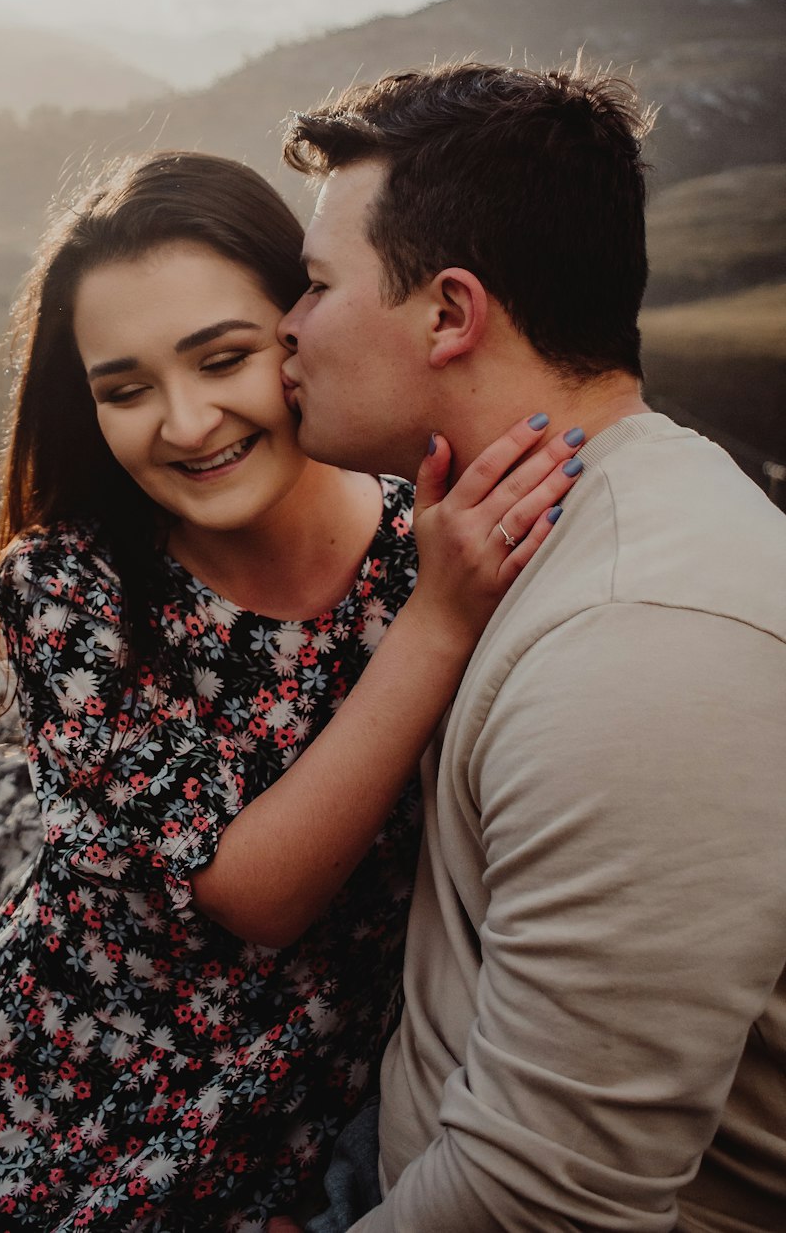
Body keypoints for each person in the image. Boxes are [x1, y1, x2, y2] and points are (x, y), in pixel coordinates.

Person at [0, 153, 579, 1233]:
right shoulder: (70, 587)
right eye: (125, 389)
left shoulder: (433, 538)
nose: (183, 422)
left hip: (303, 1131)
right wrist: (440, 624)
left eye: (224, 359)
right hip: (34, 1116)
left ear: (301, 331)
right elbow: (250, 895)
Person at [271, 63, 786, 1233]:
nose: (286, 331)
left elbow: (537, 1202)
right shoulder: (522, 529)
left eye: (313, 286)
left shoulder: (650, 645)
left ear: (451, 313)